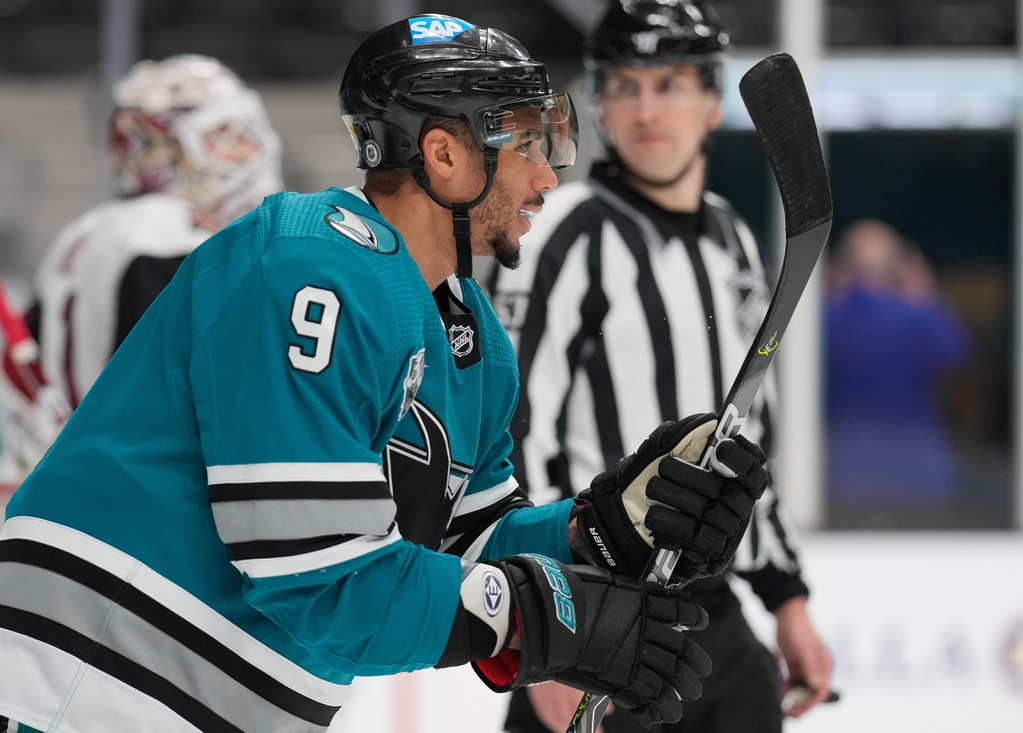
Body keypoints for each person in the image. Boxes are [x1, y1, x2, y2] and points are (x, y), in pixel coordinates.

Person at [0, 15, 775, 732]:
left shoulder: (471, 338)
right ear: (443, 153)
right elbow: (321, 583)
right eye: (529, 144)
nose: (547, 177)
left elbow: (468, 547)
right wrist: (545, 615)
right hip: (77, 694)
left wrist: (601, 528)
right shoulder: (307, 267)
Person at [490, 2, 834, 731]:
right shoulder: (561, 235)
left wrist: (787, 598)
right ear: (601, 104)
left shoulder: (731, 239)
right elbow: (510, 434)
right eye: (627, 85)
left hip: (715, 620)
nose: (648, 107)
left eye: (671, 83)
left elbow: (744, 438)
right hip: (594, 612)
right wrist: (545, 626)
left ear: (712, 103)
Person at [0, 54, 284, 479]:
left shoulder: (86, 230)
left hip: (72, 469)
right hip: (143, 482)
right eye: (224, 137)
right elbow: (199, 393)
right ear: (159, 148)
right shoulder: (167, 237)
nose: (250, 152)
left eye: (249, 133)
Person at [825, 219, 971, 510]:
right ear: (897, 266)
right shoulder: (918, 319)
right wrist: (924, 295)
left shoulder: (828, 320)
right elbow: (960, 355)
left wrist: (828, 293)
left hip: (849, 468)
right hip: (919, 467)